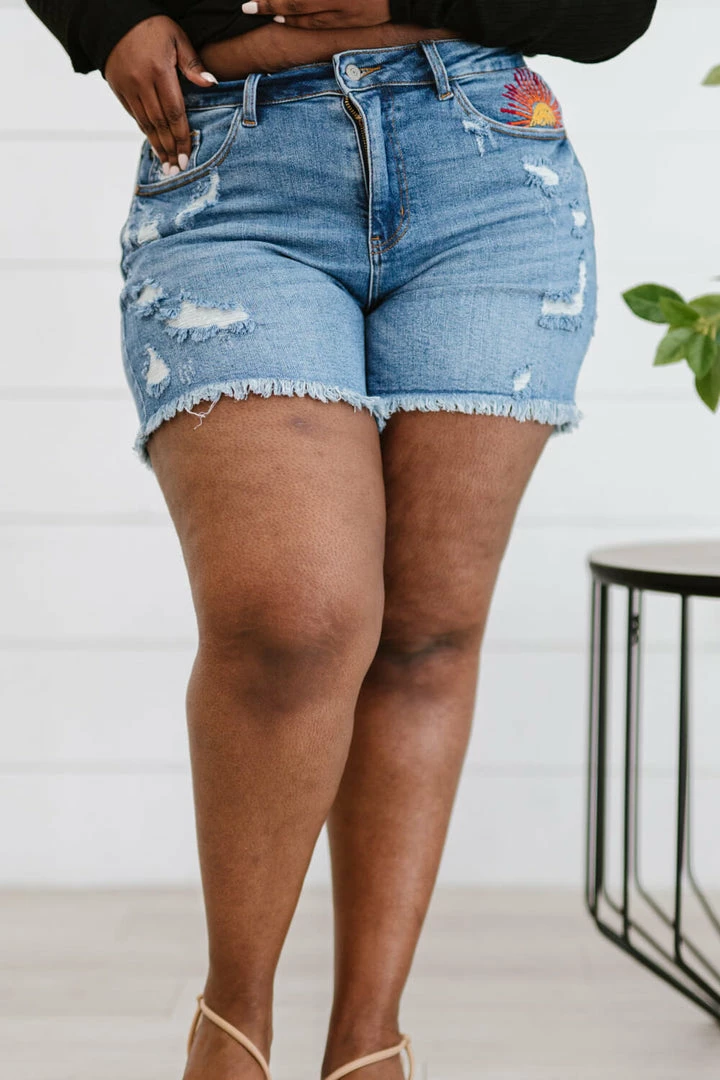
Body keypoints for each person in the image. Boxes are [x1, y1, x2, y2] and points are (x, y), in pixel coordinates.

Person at [27, 3, 657, 1079]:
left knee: (423, 632)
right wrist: (107, 14)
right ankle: (232, 1027)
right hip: (234, 162)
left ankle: (370, 1043)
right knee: (294, 619)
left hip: (488, 163)